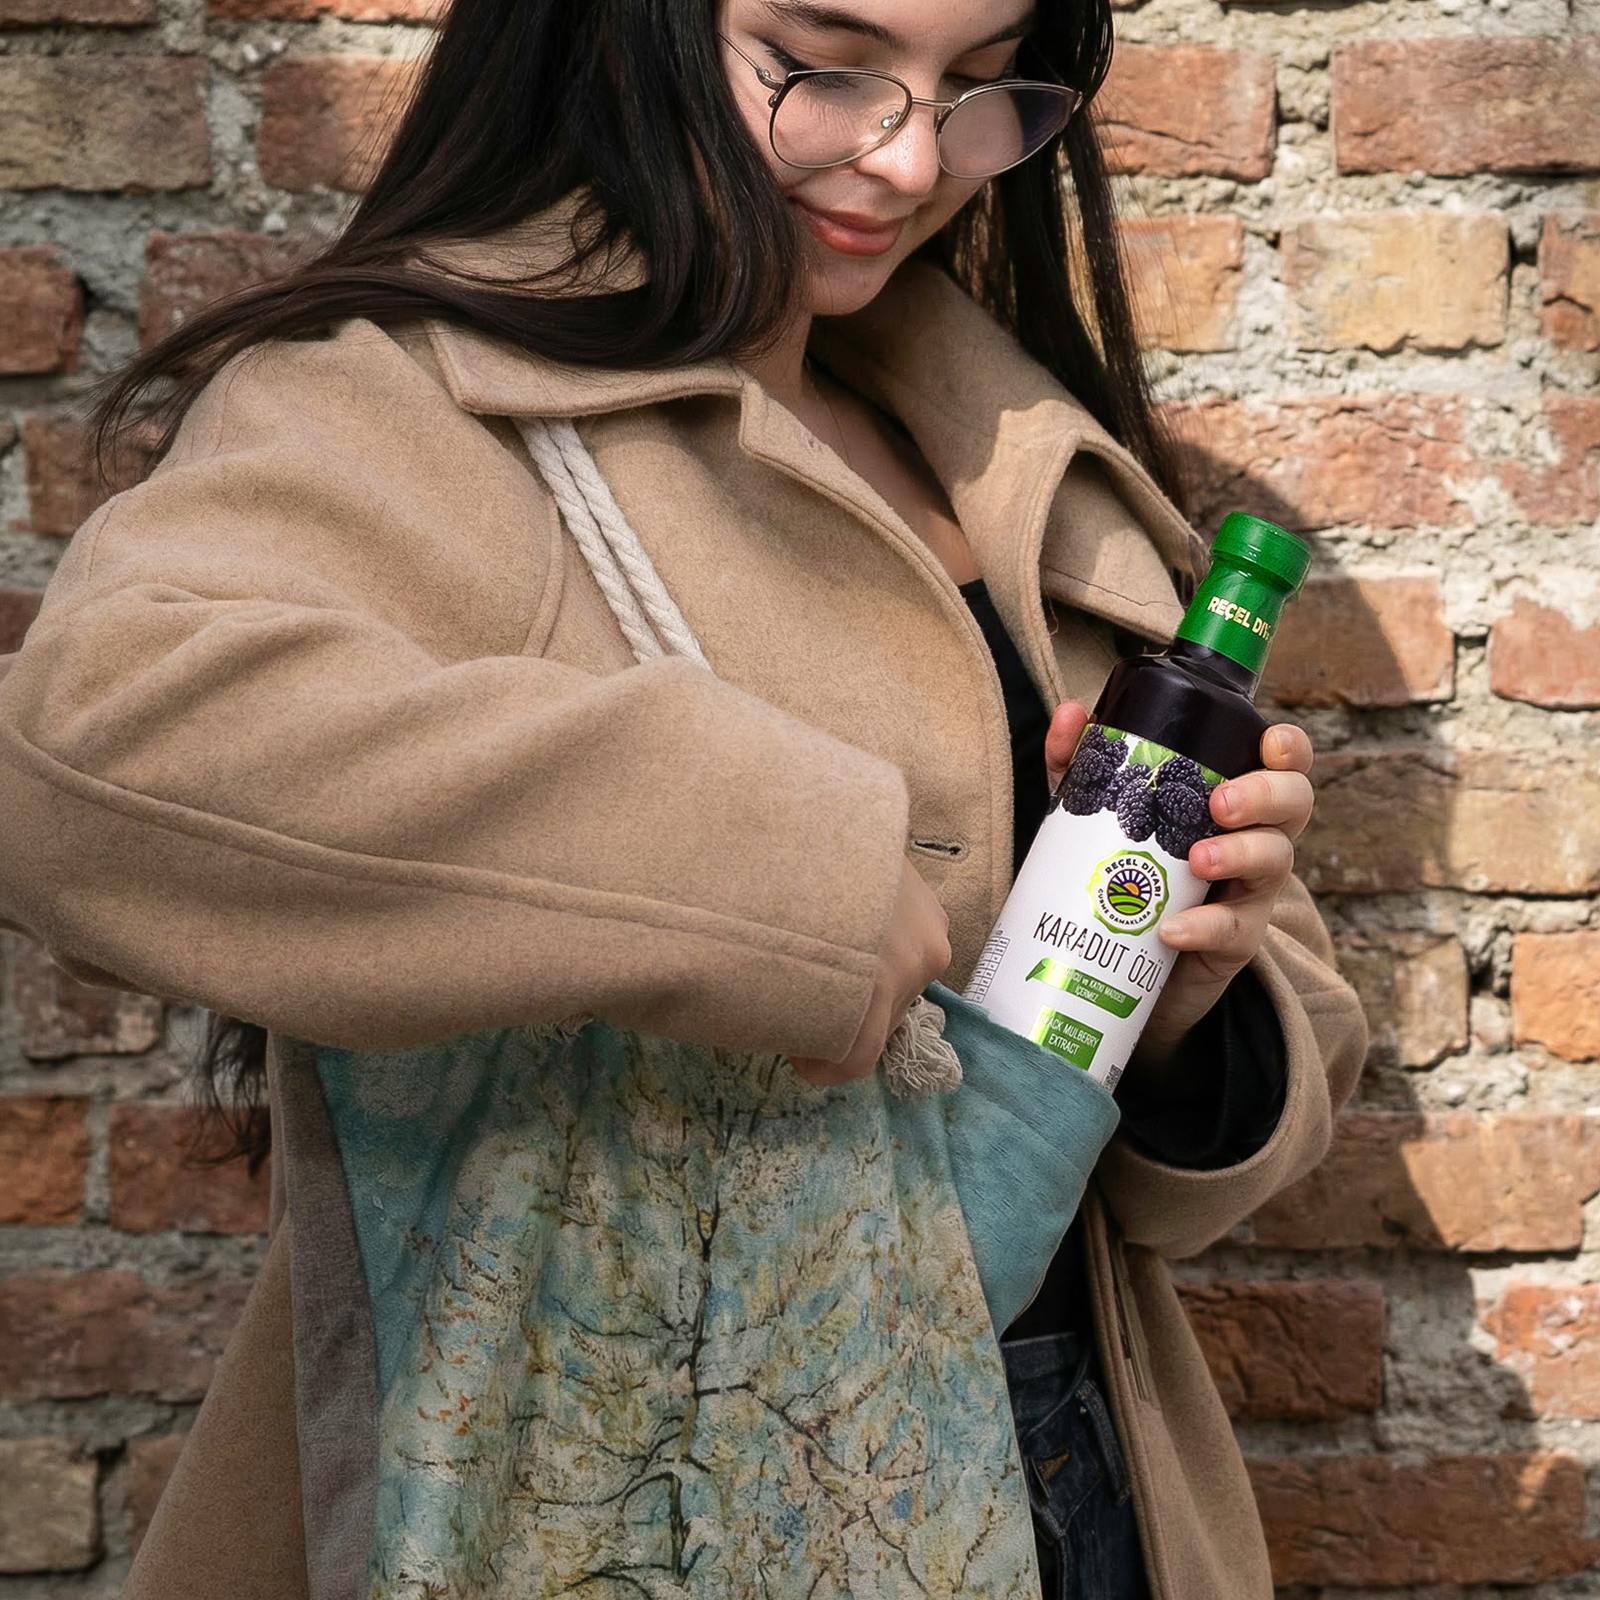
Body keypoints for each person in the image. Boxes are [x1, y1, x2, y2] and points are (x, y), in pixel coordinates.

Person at [0, 0, 1368, 1595]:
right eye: (828, 66)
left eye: (983, 87)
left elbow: (1194, 1168)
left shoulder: (1025, 456)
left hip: (1078, 1485)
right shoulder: (426, 402)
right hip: (634, 1498)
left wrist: (1190, 1000)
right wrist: (766, 873)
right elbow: (79, 752)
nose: (908, 160)